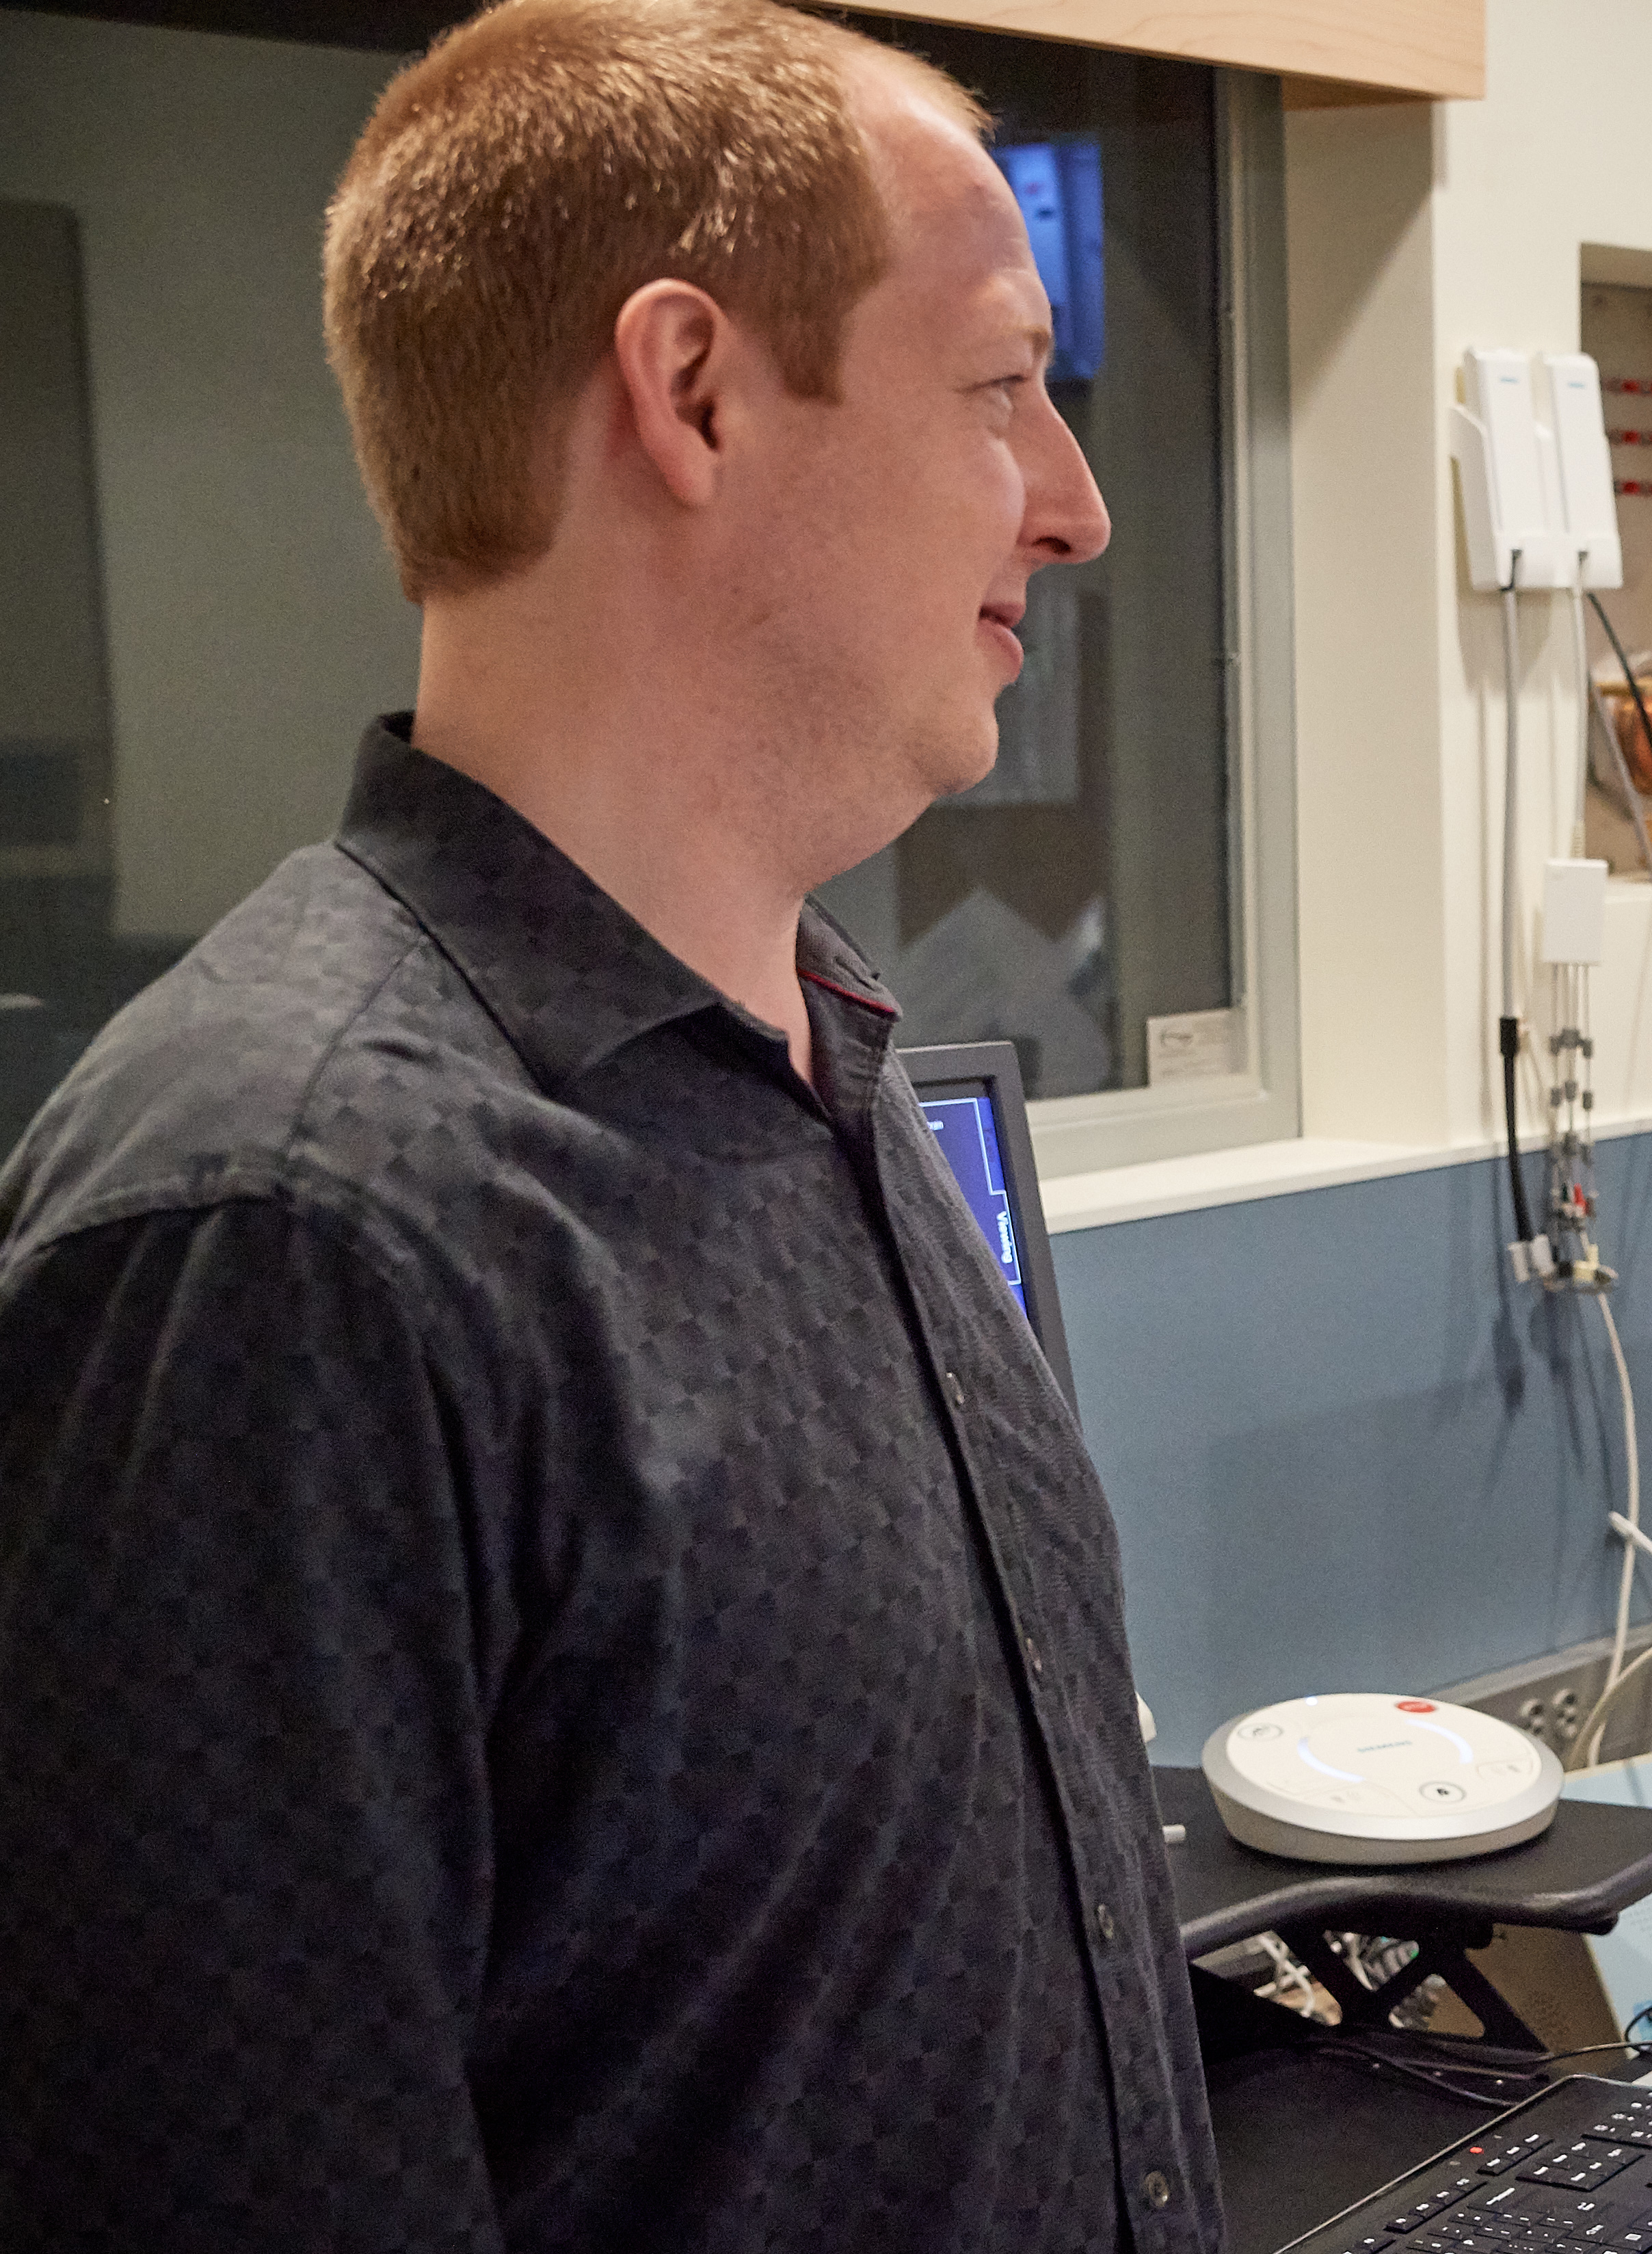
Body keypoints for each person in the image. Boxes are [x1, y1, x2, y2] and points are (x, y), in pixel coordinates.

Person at [0, 3, 1214, 2246]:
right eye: (997, 383)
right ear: (695, 393)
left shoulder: (830, 1077)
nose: (1075, 498)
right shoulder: (285, 1231)